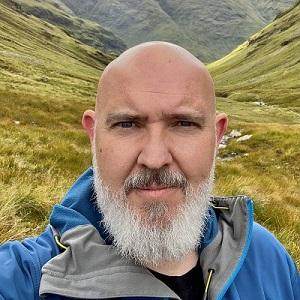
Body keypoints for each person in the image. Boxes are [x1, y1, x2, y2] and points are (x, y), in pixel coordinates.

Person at [0, 41, 298, 300]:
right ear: (94, 135)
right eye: (127, 124)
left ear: (217, 137)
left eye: (184, 124)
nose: (154, 159)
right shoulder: (30, 280)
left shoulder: (266, 255)